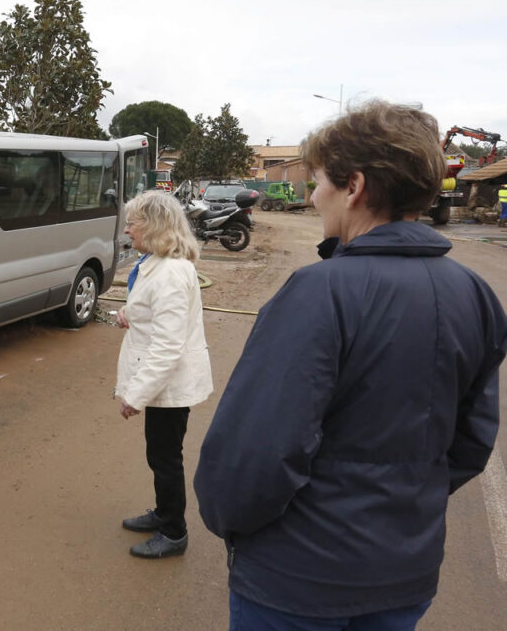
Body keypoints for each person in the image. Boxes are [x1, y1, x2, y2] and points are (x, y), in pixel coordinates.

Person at [194, 100, 507, 629]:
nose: (314, 196)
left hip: (298, 581)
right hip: (405, 576)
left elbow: (258, 451)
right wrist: (403, 504)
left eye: (318, 182)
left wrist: (229, 524)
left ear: (354, 186)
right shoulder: (475, 293)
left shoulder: (319, 292)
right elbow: (472, 441)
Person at [114, 190, 213, 559]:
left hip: (168, 382)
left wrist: (135, 396)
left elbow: (168, 346)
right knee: (160, 454)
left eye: (132, 223)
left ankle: (174, 531)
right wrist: (130, 314)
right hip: (162, 380)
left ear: (153, 225)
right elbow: (154, 314)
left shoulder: (170, 272)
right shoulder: (154, 262)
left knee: (165, 456)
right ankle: (163, 513)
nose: (127, 231)